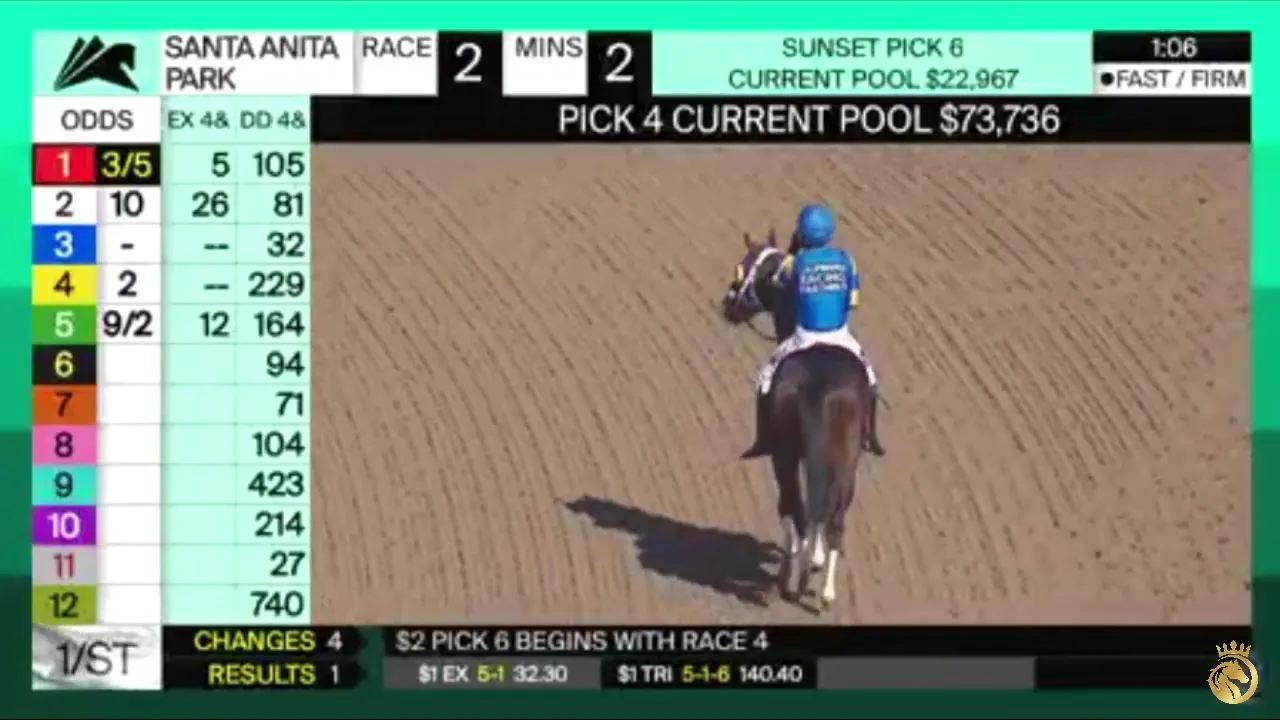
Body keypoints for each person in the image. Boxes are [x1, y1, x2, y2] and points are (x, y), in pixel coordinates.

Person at [741, 203, 885, 458]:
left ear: (802, 233)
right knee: (870, 377)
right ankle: (869, 435)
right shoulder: (846, 260)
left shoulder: (794, 264)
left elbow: (784, 291)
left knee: (765, 379)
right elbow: (853, 301)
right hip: (840, 336)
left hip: (803, 337)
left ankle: (763, 439)